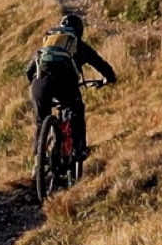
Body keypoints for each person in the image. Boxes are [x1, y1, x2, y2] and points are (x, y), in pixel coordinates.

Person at [26, 11, 115, 162]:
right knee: (76, 109)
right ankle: (79, 150)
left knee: (41, 123)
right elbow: (100, 64)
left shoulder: (48, 44)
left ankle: (38, 163)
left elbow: (29, 71)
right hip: (64, 83)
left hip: (39, 83)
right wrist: (109, 79)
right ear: (78, 32)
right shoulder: (78, 45)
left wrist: (37, 85)